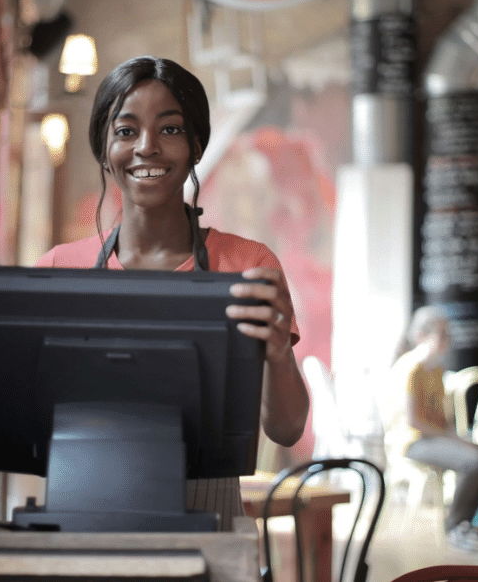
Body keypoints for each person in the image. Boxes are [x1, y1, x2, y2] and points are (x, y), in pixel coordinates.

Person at [35, 55, 310, 529]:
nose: (147, 147)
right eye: (126, 131)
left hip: (210, 514)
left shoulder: (247, 266)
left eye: (170, 129)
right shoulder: (58, 270)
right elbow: (29, 425)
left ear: (197, 146)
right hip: (83, 510)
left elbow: (286, 430)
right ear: (103, 149)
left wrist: (279, 352)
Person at [382, 306, 478, 542]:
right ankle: (455, 524)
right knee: (474, 460)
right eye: (441, 334)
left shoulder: (435, 370)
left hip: (436, 437)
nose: (446, 341)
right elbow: (414, 421)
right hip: (412, 442)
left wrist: (461, 438)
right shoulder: (411, 369)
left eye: (448, 335)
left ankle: (473, 520)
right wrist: (456, 440)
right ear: (421, 335)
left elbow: (442, 419)